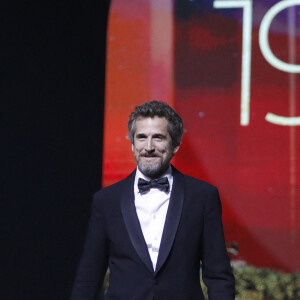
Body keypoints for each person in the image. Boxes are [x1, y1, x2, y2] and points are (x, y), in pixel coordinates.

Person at [71, 100, 235, 300]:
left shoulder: (202, 196)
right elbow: (89, 277)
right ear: (132, 144)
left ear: (175, 145)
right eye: (141, 137)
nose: (148, 147)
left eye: (158, 137)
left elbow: (219, 277)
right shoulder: (106, 200)